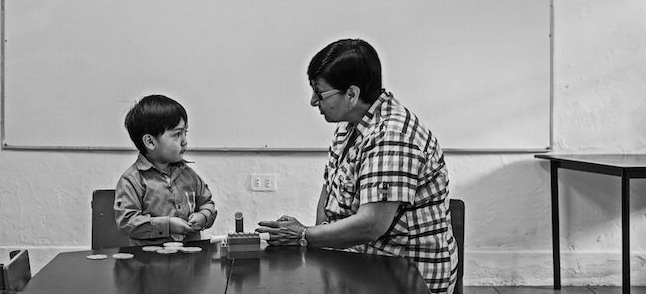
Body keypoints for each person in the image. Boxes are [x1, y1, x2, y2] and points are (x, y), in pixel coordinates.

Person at [256, 39, 458, 294]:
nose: (313, 101)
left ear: (351, 95)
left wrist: (304, 235)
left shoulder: (392, 136)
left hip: (405, 274)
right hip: (362, 262)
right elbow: (329, 192)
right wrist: (314, 245)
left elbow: (371, 224)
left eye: (320, 93)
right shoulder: (349, 124)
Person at [114, 94, 217, 246]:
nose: (185, 141)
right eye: (177, 134)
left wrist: (204, 215)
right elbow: (126, 221)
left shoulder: (188, 174)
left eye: (185, 133)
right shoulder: (132, 180)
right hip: (149, 259)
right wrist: (167, 225)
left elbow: (207, 202)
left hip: (190, 257)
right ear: (150, 142)